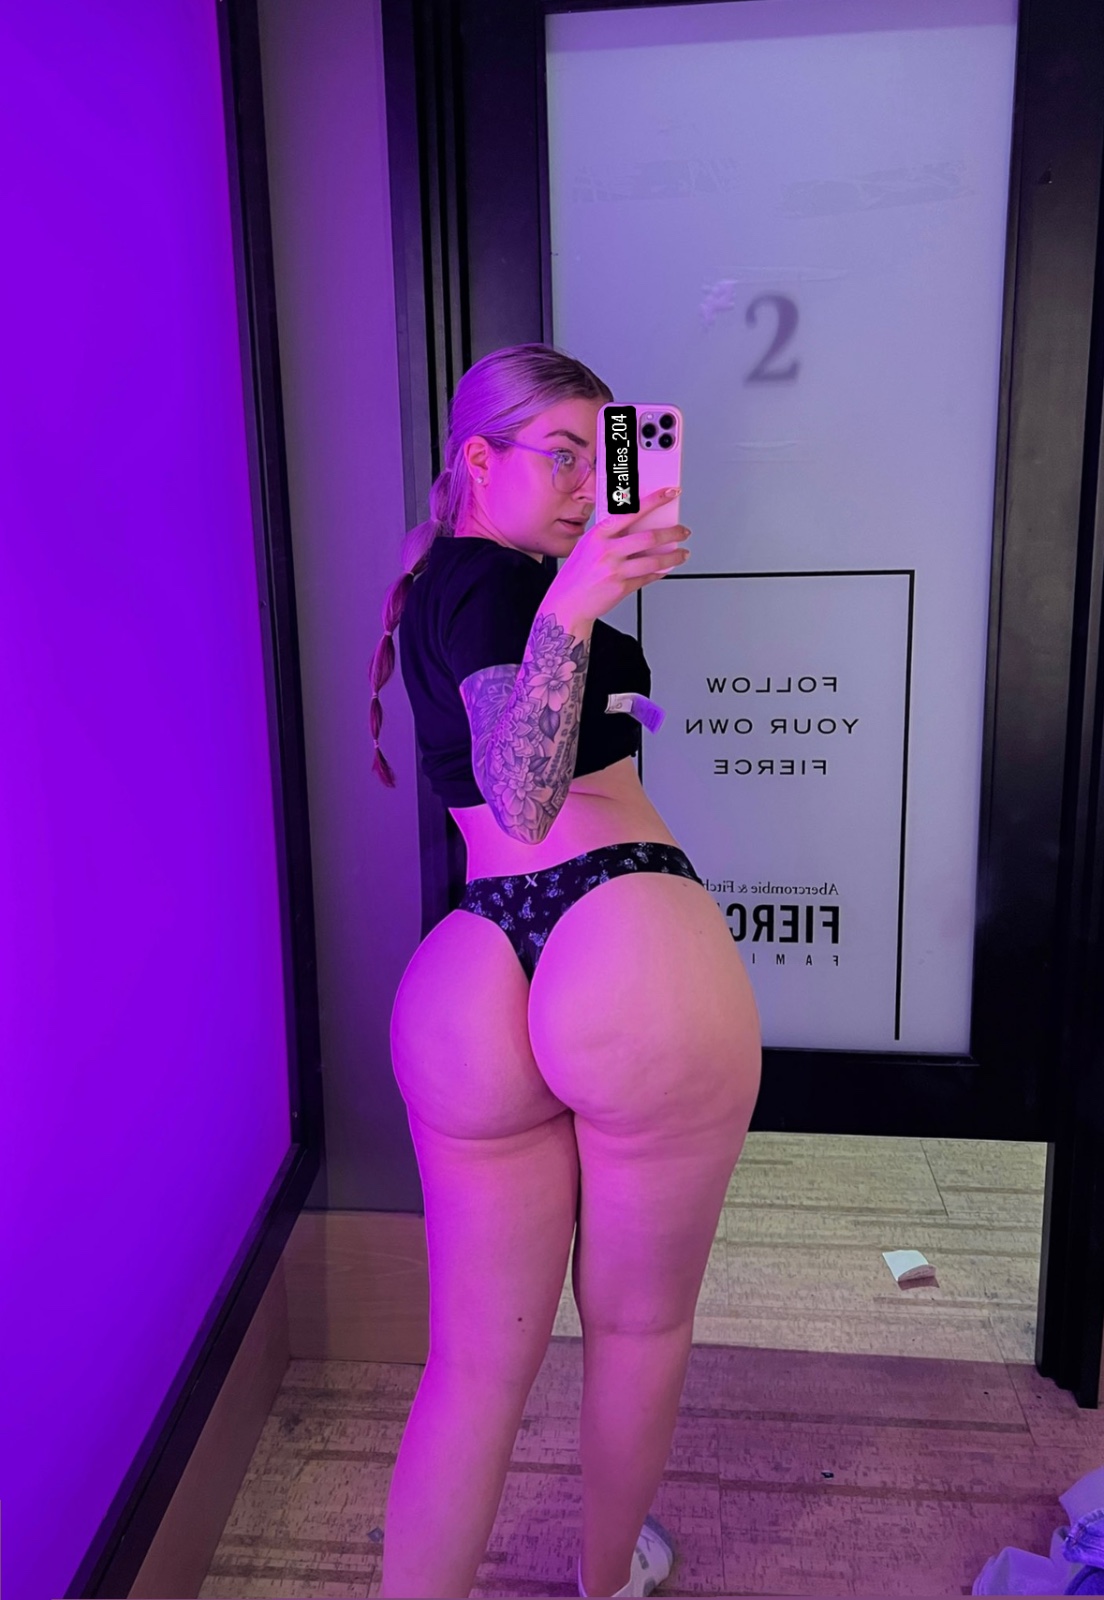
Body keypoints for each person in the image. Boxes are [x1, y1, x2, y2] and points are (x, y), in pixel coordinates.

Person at [368, 342, 761, 1598]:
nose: (590, 484)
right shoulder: (508, 584)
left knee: (471, 1365)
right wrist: (579, 600)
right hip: (618, 938)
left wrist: (571, 594)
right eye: (562, 455)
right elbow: (527, 798)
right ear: (478, 460)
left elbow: (500, 810)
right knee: (638, 1325)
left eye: (603, 456)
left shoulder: (450, 581)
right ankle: (606, 1578)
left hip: (474, 962)